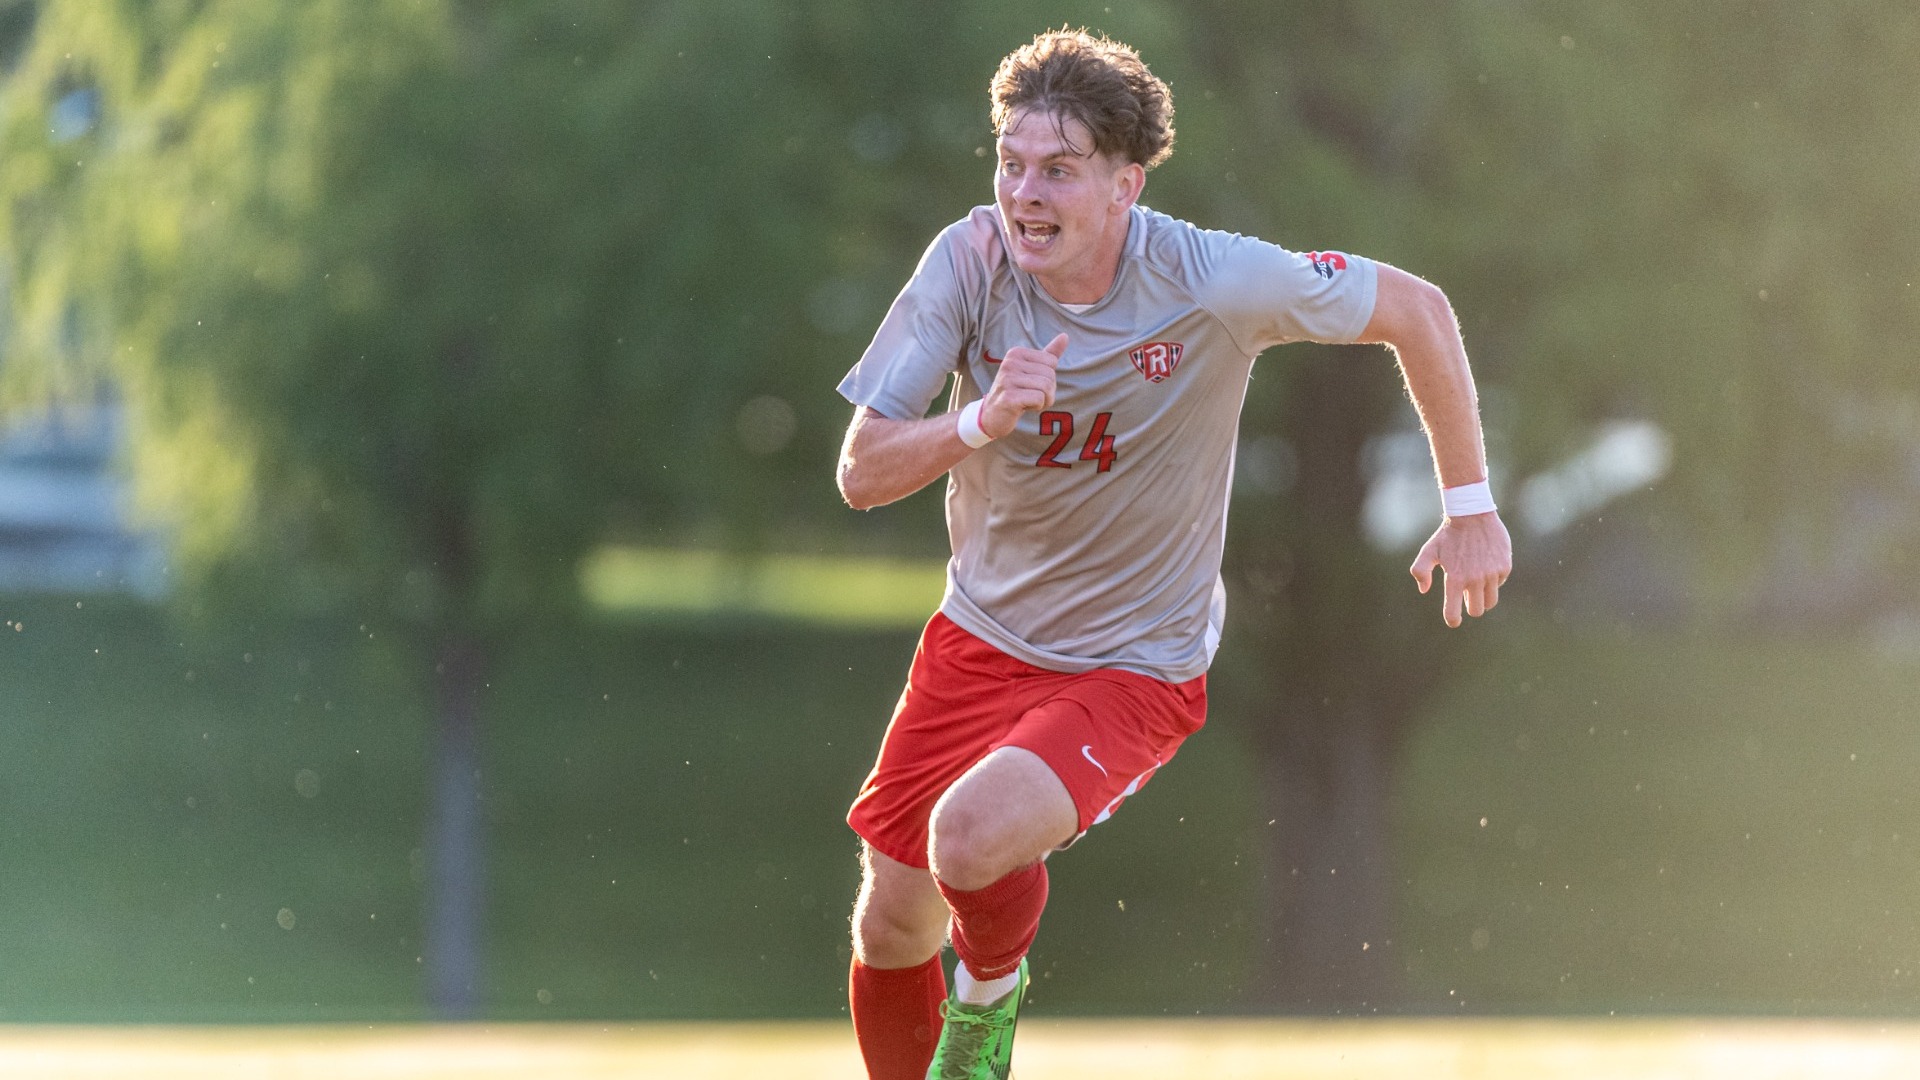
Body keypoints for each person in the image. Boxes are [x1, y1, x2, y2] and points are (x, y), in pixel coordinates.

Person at [833, 28, 1511, 1080]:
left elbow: (1416, 310)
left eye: (1059, 169)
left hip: (1132, 664)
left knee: (966, 840)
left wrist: (1469, 504)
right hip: (978, 634)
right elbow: (862, 469)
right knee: (889, 928)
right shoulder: (967, 262)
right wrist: (979, 423)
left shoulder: (1208, 277)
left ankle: (990, 997)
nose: (1025, 192)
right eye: (1011, 163)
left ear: (1124, 184)